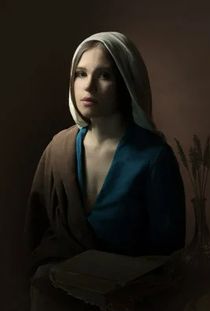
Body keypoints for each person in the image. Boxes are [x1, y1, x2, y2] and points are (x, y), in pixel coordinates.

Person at [25, 31, 186, 278]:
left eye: (105, 75)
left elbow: (168, 254)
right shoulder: (58, 149)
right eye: (80, 74)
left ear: (126, 83)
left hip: (128, 303)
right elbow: (36, 232)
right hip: (56, 293)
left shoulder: (154, 157)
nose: (88, 86)